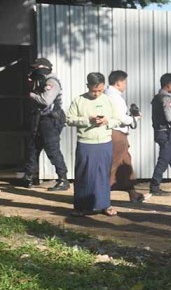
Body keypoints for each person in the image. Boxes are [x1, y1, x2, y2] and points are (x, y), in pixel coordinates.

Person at [66, 72, 124, 217]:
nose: (97, 93)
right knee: (83, 175)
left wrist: (107, 122)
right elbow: (69, 119)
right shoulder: (79, 100)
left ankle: (105, 204)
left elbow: (118, 119)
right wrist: (87, 120)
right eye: (93, 91)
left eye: (100, 90)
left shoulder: (109, 100)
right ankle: (81, 207)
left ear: (104, 87)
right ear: (88, 86)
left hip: (104, 142)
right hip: (85, 142)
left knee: (104, 174)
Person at [104, 70, 150, 203]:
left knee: (126, 163)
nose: (125, 85)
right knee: (115, 165)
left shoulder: (110, 94)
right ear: (118, 83)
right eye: (124, 82)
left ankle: (133, 194)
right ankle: (101, 196)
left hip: (119, 134)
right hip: (117, 134)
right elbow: (120, 117)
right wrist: (134, 118)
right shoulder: (115, 97)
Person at [23, 58, 69, 191]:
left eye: (37, 68)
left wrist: (32, 94)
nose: (35, 70)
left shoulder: (51, 81)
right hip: (40, 119)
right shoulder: (40, 81)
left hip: (50, 120)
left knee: (52, 150)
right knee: (33, 148)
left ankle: (63, 180)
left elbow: (46, 100)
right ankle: (29, 177)